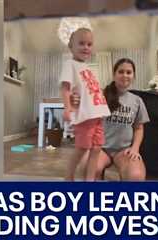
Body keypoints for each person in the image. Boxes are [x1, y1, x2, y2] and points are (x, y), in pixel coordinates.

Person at [72, 58, 150, 181]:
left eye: (129, 72)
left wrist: (135, 149)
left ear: (133, 76)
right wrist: (76, 102)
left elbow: (139, 128)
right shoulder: (100, 95)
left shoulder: (137, 100)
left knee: (136, 176)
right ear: (114, 75)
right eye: (121, 71)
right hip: (101, 148)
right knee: (88, 169)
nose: (125, 75)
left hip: (124, 150)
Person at [59, 28, 111, 181]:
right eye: (81, 43)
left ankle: (89, 182)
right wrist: (67, 107)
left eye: (89, 44)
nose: (86, 47)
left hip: (97, 115)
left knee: (96, 149)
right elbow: (65, 87)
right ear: (71, 46)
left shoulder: (87, 68)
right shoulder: (70, 64)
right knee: (82, 148)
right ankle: (68, 176)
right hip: (85, 116)